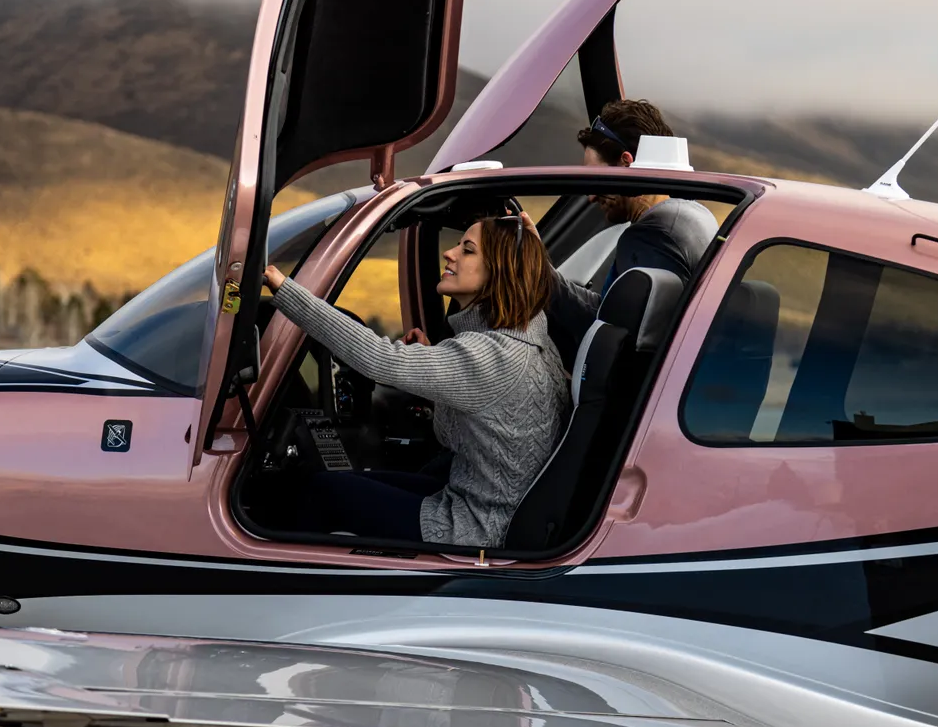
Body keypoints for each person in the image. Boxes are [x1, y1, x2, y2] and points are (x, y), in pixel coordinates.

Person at [262, 216, 569, 548]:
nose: (449, 254)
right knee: (346, 481)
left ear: (500, 270)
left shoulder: (491, 354)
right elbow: (464, 430)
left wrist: (285, 289)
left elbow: (381, 359)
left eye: (467, 250)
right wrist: (435, 368)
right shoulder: (532, 335)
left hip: (479, 527)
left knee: (322, 492)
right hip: (496, 508)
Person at [543, 98, 719, 368]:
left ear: (626, 162)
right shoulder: (693, 216)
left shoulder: (652, 235)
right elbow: (610, 311)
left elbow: (607, 339)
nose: (590, 197)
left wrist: (535, 272)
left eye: (596, 180)